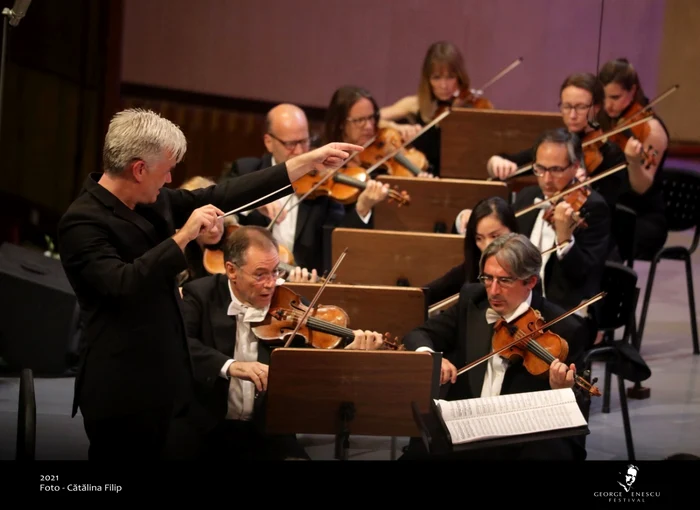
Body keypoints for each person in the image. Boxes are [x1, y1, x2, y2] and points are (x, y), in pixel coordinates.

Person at [57, 107, 363, 460]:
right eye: (167, 169)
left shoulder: (153, 201)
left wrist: (304, 163)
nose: (170, 178)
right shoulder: (82, 222)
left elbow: (228, 193)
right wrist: (183, 237)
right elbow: (122, 285)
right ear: (139, 169)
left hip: (166, 385)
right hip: (121, 387)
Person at [180, 226, 386, 460]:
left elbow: (317, 365)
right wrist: (230, 366)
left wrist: (351, 352)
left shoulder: (291, 305)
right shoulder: (201, 295)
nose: (271, 284)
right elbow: (180, 344)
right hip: (207, 427)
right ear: (232, 270)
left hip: (266, 432)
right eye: (260, 274)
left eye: (275, 272)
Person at [401, 233, 588, 460]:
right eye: (488, 278)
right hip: (468, 427)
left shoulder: (565, 329)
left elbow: (575, 414)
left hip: (521, 438)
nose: (493, 290)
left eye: (505, 280)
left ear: (530, 282)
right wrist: (432, 358)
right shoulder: (473, 300)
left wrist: (561, 390)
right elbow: (418, 334)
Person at [226, 103, 387, 276]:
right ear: (269, 142)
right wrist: (253, 202)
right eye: (290, 144)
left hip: (302, 285)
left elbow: (338, 243)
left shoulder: (321, 182)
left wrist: (362, 208)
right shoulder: (245, 170)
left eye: (304, 142)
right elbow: (216, 214)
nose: (299, 151)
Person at [379, 41, 493, 176]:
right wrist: (398, 128)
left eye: (450, 77)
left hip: (462, 177)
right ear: (427, 79)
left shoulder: (473, 105)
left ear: (460, 76)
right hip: (422, 179)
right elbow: (374, 118)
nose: (444, 85)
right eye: (436, 78)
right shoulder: (415, 104)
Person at [598, 58, 669, 260]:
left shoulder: (651, 129)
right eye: (603, 97)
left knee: (603, 243)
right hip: (611, 210)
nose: (607, 105)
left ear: (633, 90)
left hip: (642, 216)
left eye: (615, 97)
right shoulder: (606, 120)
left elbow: (642, 187)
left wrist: (634, 162)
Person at [426, 196, 517, 306]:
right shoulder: (470, 268)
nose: (487, 246)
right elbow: (424, 296)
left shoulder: (526, 274)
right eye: (479, 238)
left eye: (494, 236)